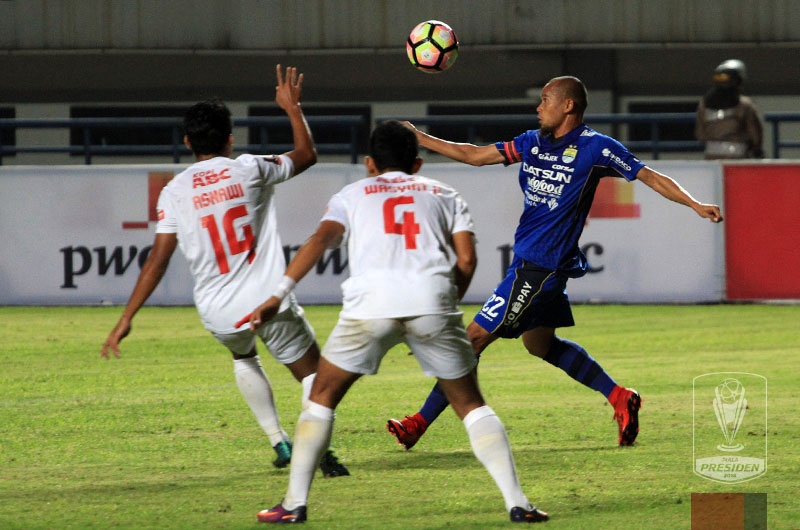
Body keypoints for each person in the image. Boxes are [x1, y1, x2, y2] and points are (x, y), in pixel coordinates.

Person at [387, 75, 724, 451]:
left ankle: (418, 423)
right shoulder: (531, 143)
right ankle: (619, 396)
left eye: (545, 99)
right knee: (540, 345)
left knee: (473, 339)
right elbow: (474, 155)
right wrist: (420, 137)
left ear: (568, 106)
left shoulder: (595, 148)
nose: (538, 107)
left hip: (541, 267)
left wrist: (694, 203)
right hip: (532, 264)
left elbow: (648, 176)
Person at [249, 120, 549, 524]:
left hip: (369, 306)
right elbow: (466, 261)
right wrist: (443, 306)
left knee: (321, 395)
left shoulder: (351, 194)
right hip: (432, 302)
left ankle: (293, 504)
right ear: (418, 163)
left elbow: (319, 241)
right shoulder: (445, 194)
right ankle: (519, 503)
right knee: (470, 403)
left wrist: (276, 295)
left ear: (370, 163)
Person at [100, 65, 348, 478]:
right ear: (230, 138)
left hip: (217, 312)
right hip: (268, 301)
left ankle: (279, 441)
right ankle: (319, 450)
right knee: (312, 374)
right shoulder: (250, 167)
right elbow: (306, 155)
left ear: (186, 142)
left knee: (243, 355)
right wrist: (292, 108)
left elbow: (157, 260)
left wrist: (126, 318)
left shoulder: (174, 191)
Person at [695, 59, 764, 159]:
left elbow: (700, 133)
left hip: (711, 155)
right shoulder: (745, 105)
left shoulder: (704, 104)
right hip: (737, 156)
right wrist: (757, 150)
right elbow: (755, 134)